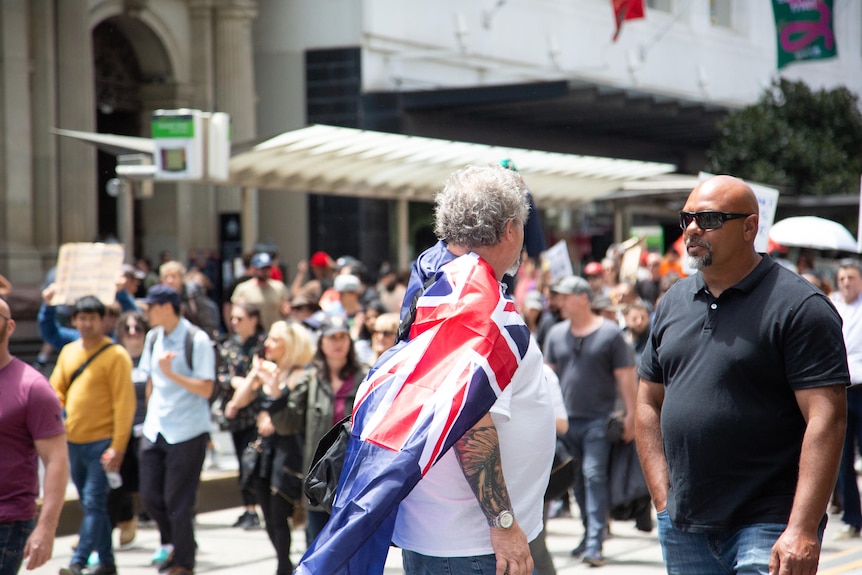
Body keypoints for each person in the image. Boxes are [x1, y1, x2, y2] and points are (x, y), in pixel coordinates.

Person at [296, 163, 555, 575]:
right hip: (471, 544)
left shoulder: (437, 280)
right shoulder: (477, 307)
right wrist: (503, 523)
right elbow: (471, 419)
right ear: (510, 230)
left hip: (448, 536)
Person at [635, 175, 849, 575]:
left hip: (769, 524)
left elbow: (827, 419)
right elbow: (647, 402)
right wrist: (663, 500)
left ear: (751, 226)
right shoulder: (673, 303)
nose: (694, 229)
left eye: (710, 218)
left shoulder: (801, 307)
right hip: (685, 526)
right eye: (688, 219)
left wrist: (802, 527)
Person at [542, 275, 637, 567]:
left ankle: (595, 541)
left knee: (594, 475)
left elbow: (626, 376)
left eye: (565, 296)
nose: (559, 302)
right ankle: (588, 535)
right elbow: (547, 379)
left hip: (599, 420)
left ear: (583, 298)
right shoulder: (556, 333)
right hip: (567, 423)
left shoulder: (609, 334)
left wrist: (632, 415)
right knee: (576, 482)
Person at [50, 296, 136, 575]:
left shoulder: (116, 355)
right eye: (81, 318)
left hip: (103, 444)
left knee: (93, 502)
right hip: (73, 442)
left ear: (103, 320)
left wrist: (118, 446)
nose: (87, 324)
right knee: (92, 504)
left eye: (92, 318)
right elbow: (56, 390)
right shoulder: (69, 352)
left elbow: (125, 405)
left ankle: (79, 561)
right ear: (74, 321)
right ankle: (108, 563)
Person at [138, 285, 216, 575]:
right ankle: (173, 543)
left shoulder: (197, 340)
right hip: (155, 426)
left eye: (151, 307)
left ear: (167, 307)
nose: (146, 313)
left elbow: (206, 387)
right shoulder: (153, 337)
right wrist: (149, 411)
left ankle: (183, 561)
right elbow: (150, 380)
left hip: (188, 429)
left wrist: (173, 375)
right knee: (149, 495)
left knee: (178, 500)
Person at [225, 321, 314, 575]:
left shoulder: (302, 375)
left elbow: (292, 416)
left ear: (291, 345)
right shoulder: (268, 371)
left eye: (275, 340)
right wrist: (254, 375)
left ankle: (283, 567)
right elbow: (235, 404)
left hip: (289, 452)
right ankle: (284, 563)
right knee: (268, 514)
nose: (267, 344)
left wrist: (271, 406)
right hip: (264, 451)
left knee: (279, 510)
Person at [0, 295, 69, 575]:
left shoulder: (33, 387)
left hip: (8, 522)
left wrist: (46, 527)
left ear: (10, 327)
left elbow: (56, 460)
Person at [215, 302, 266, 531]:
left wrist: (245, 387)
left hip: (258, 413)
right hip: (236, 415)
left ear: (254, 319)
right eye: (233, 319)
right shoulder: (229, 346)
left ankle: (258, 507)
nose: (234, 323)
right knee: (241, 462)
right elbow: (222, 375)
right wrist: (236, 383)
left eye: (240, 318)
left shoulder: (263, 345)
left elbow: (262, 378)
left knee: (253, 461)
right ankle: (248, 508)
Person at [108, 311, 151, 549]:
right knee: (117, 482)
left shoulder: (153, 358)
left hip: (149, 431)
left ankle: (175, 538)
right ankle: (122, 523)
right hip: (122, 430)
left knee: (151, 485)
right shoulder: (116, 359)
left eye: (138, 329)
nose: (133, 334)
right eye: (128, 329)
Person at [830, 259, 862, 539]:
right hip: (840, 391)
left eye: (851, 277)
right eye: (842, 279)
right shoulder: (832, 305)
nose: (846, 283)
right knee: (842, 460)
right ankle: (852, 517)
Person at [159, 260, 221, 338]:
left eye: (173, 276)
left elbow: (209, 323)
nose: (170, 281)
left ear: (182, 278)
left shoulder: (193, 295)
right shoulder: (160, 300)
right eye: (166, 277)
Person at [230, 252, 290, 331]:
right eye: (262, 269)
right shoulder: (243, 289)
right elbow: (235, 312)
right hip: (252, 335)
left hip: (274, 333)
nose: (265, 271)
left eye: (267, 268)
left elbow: (286, 308)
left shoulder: (279, 287)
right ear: (253, 269)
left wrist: (286, 311)